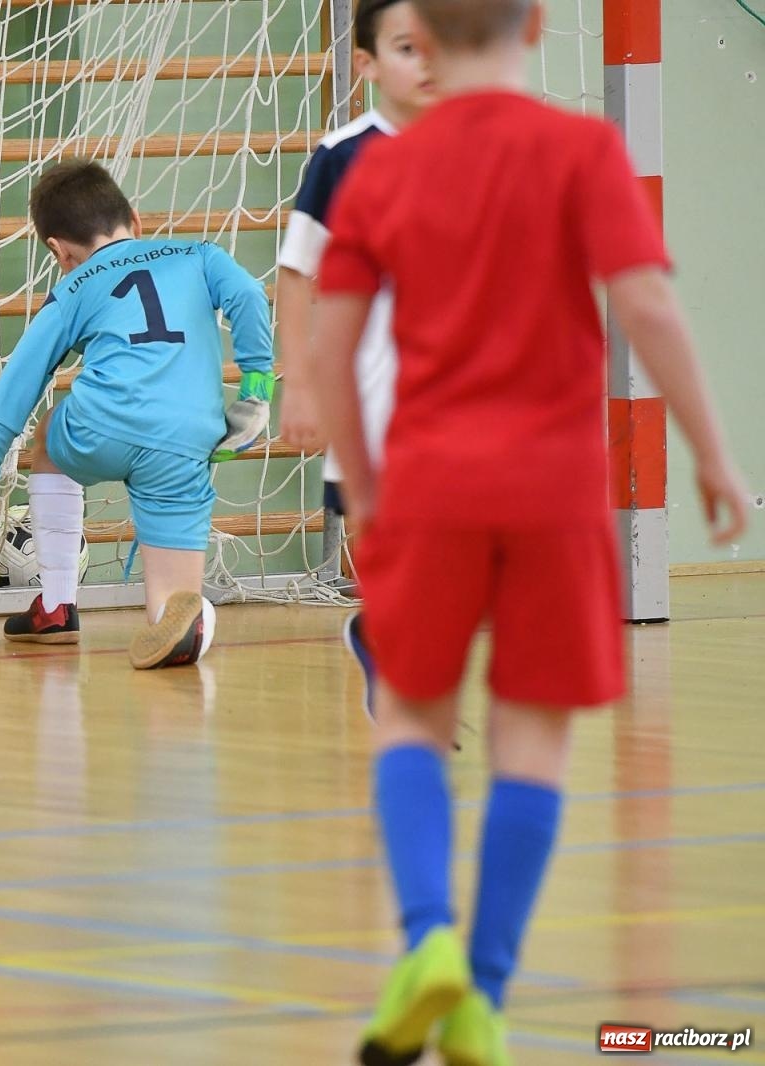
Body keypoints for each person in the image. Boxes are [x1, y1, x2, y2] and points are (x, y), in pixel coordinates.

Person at [309, 2, 751, 1062]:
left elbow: (330, 350)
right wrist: (709, 452)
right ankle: (486, 998)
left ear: (422, 35)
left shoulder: (383, 173)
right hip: (553, 491)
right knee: (531, 742)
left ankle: (426, 944)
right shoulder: (580, 149)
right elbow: (644, 305)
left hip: (424, 482)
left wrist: (364, 488)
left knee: (412, 723)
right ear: (538, 24)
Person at [0, 160, 274, 669]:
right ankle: (188, 616)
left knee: (48, 429)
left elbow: (18, 386)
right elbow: (250, 294)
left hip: (101, 426)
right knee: (169, 609)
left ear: (59, 251)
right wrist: (256, 387)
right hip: (188, 438)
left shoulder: (74, 288)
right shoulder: (200, 255)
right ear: (135, 221)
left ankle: (56, 605)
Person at [275, 0, 436, 718]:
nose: (429, 60)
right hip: (371, 394)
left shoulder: (488, 146)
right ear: (367, 64)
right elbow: (295, 275)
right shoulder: (343, 156)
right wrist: (300, 386)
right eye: (407, 47)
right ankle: (390, 653)